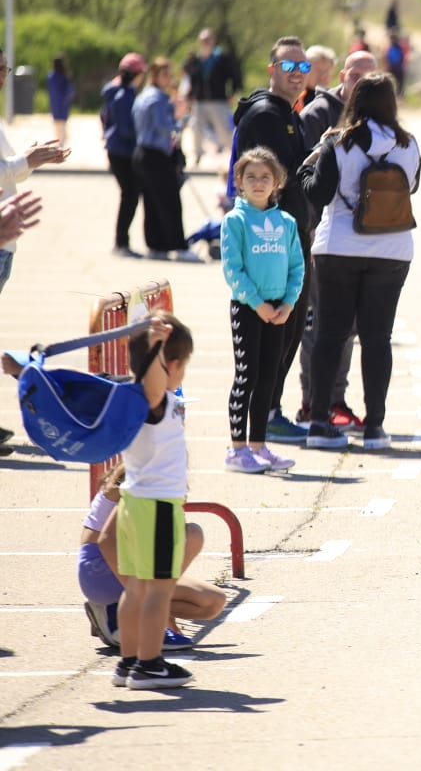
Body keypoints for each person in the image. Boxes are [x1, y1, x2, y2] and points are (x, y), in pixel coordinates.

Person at [298, 73, 421, 451]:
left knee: (331, 335)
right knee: (377, 338)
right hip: (391, 250)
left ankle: (319, 421)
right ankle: (375, 427)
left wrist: (306, 169)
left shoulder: (337, 142)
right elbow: (412, 186)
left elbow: (318, 193)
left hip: (339, 247)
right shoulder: (408, 144)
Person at [233, 37, 315, 440]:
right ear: (272, 71)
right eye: (289, 67)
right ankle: (263, 419)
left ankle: (269, 413)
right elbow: (279, 181)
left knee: (288, 328)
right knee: (273, 332)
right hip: (268, 241)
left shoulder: (287, 113)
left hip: (286, 238)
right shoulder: (268, 115)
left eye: (304, 68)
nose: (297, 75)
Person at [293, 52, 377, 430]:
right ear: (343, 75)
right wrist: (307, 235)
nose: (359, 82)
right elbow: (305, 179)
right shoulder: (318, 115)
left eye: (368, 77)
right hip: (320, 242)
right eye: (355, 74)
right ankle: (313, 402)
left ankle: (337, 400)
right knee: (319, 329)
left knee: (347, 330)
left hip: (363, 244)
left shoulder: (378, 123)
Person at [113, 314, 196, 690]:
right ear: (171, 365)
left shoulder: (134, 400)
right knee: (158, 589)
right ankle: (148, 664)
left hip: (134, 504)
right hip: (156, 507)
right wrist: (158, 345)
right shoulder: (152, 398)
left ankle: (128, 661)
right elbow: (153, 385)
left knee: (136, 588)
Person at [222, 147, 305, 473]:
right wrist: (258, 305)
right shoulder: (235, 220)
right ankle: (237, 449)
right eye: (251, 177)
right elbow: (233, 269)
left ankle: (259, 446)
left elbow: (297, 267)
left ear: (277, 182)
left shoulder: (285, 222)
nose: (258, 182)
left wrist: (288, 303)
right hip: (248, 309)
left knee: (269, 378)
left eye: (265, 177)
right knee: (247, 376)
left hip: (278, 311)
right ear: (239, 181)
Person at [81, 464, 225, 651]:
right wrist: (138, 594)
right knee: (191, 536)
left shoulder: (145, 474)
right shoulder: (139, 481)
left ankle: (121, 612)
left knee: (213, 602)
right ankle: (132, 620)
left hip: (100, 570)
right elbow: (106, 541)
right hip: (105, 569)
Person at [0, 50, 71, 291]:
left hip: (6, 242)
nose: (2, 77)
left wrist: (33, 158)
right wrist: (24, 161)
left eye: (4, 69)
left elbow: (10, 171)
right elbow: (9, 168)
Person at [131, 57, 198, 263]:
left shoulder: (143, 96)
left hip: (142, 152)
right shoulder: (158, 98)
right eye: (165, 74)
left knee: (152, 202)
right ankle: (178, 246)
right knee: (170, 202)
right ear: (155, 76)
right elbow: (165, 126)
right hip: (156, 155)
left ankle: (156, 245)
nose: (169, 79)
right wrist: (179, 118)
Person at [102, 54, 146, 257]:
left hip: (116, 149)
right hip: (123, 151)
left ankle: (121, 241)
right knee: (129, 196)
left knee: (129, 195)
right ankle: (121, 243)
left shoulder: (114, 91)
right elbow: (128, 128)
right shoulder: (126, 95)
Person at [181, 29, 241, 167]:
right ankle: (197, 155)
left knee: (224, 129)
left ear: (213, 41)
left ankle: (236, 154)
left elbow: (234, 75)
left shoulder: (221, 58)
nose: (206, 43)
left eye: (208, 40)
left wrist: (232, 92)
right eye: (203, 40)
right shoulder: (196, 59)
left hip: (218, 100)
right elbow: (191, 79)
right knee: (196, 128)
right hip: (200, 101)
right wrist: (189, 96)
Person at [47, 54, 75, 147]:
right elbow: (70, 90)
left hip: (55, 102)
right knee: (62, 123)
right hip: (63, 103)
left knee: (57, 124)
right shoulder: (64, 75)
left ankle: (60, 140)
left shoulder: (51, 76)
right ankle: (62, 140)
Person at [384, 31, 406, 97]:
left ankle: (398, 95)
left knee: (398, 83)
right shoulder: (390, 47)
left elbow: (401, 57)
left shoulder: (396, 47)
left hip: (397, 68)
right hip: (394, 68)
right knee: (393, 83)